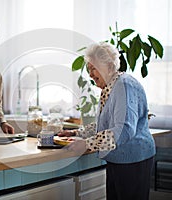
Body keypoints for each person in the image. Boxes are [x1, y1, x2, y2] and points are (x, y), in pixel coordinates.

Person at [60, 42, 155, 200]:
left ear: (108, 66)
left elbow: (124, 130)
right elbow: (104, 124)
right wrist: (76, 133)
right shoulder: (111, 87)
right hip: (119, 159)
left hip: (133, 159)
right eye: (89, 69)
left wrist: (87, 144)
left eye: (93, 68)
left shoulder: (124, 85)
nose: (90, 74)